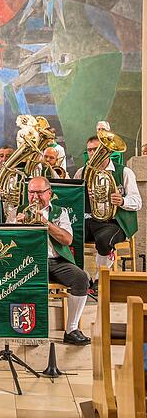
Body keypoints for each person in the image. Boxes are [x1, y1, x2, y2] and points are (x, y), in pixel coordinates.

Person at [14, 177, 90, 345]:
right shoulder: (18, 211)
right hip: (29, 262)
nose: (35, 197)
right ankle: (28, 329)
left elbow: (68, 240)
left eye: (40, 192)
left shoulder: (60, 212)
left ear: (49, 193)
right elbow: (9, 244)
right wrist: (16, 227)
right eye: (31, 193)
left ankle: (71, 329)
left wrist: (46, 223)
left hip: (56, 261)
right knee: (22, 280)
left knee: (81, 278)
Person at [73, 135, 141, 285]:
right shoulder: (81, 172)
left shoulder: (124, 172)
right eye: (89, 150)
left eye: (96, 150)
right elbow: (73, 201)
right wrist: (84, 196)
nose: (92, 154)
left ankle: (100, 279)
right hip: (88, 219)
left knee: (105, 241)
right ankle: (82, 278)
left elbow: (137, 202)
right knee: (67, 237)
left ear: (107, 151)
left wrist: (122, 200)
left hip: (114, 222)